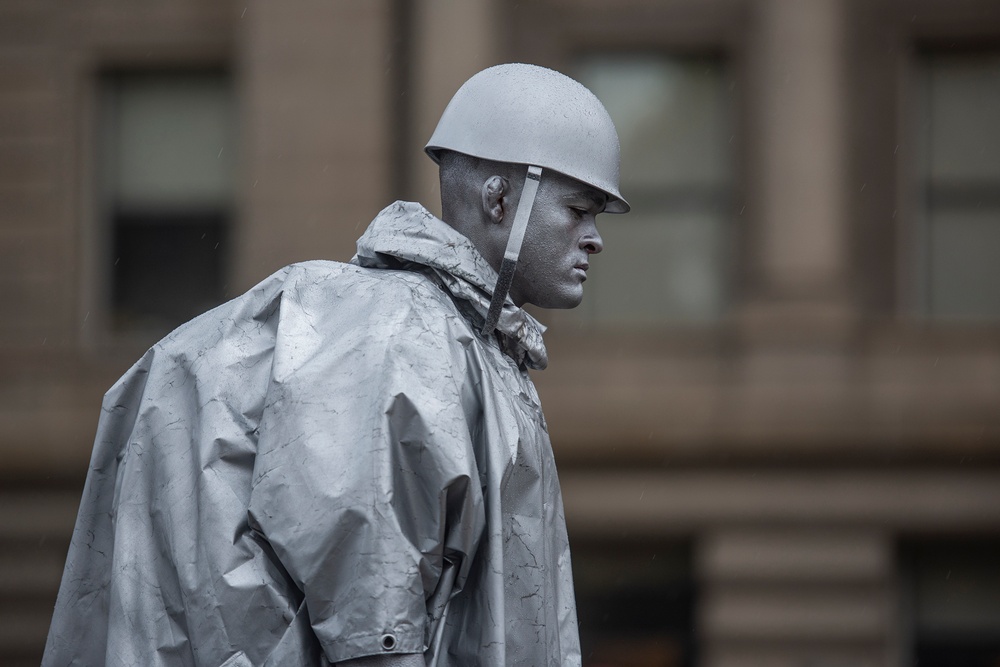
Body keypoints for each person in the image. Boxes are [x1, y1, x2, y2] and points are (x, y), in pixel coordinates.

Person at [43, 63, 629, 667]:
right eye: (578, 210)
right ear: (501, 199)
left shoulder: (471, 345)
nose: (594, 238)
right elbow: (372, 614)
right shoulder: (407, 335)